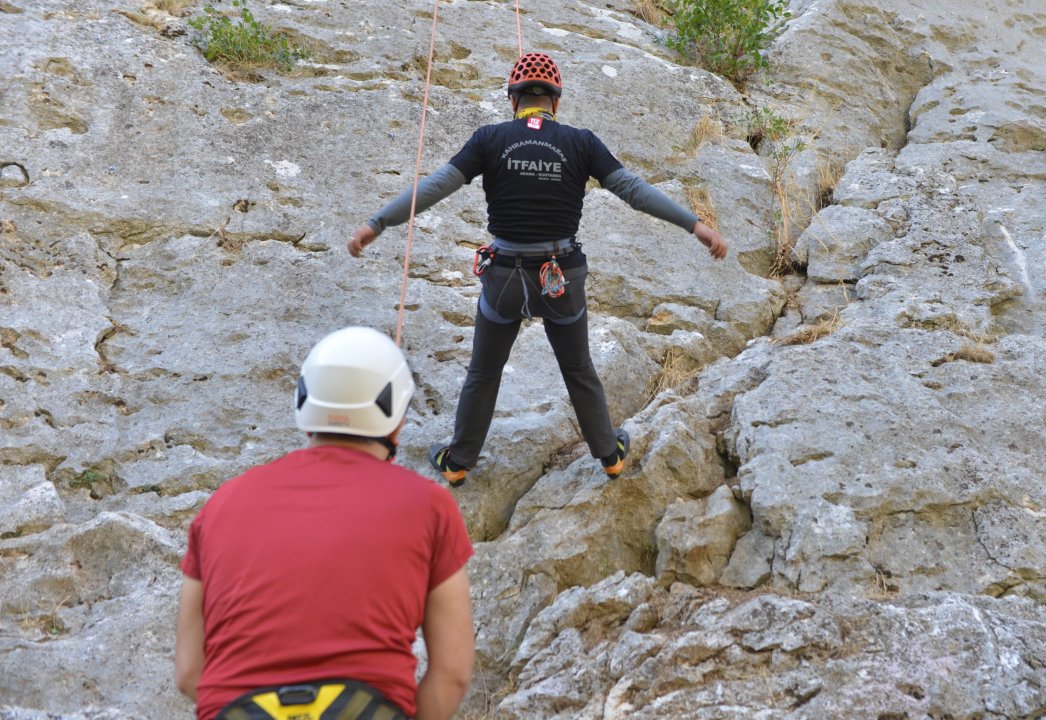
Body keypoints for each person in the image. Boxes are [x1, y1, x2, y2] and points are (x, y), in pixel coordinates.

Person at [349, 52, 728, 487]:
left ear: (514, 99)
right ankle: (608, 455)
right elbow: (632, 190)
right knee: (578, 368)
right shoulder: (581, 142)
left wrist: (377, 223)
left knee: (483, 371)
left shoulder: (489, 139)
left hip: (504, 278)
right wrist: (694, 225)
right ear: (555, 102)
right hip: (560, 277)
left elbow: (437, 186)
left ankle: (459, 461)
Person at [174, 326, 475, 720]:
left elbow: (188, 673)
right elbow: (452, 673)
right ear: (397, 418)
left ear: (303, 402)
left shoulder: (221, 505)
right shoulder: (429, 505)